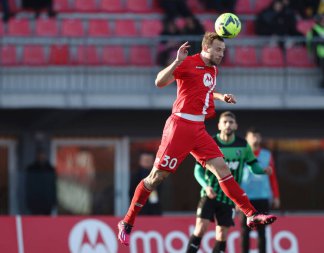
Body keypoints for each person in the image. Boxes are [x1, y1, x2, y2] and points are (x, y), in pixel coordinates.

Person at [117, 32, 277, 246]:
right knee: (155, 178)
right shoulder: (188, 63)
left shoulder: (212, 69)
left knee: (223, 170)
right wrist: (176, 61)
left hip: (198, 128)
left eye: (224, 51)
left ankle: (250, 214)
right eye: (219, 50)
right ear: (206, 48)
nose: (222, 54)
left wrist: (221, 96)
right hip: (179, 127)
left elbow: (205, 90)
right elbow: (159, 82)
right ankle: (127, 222)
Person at [186, 111, 272, 253]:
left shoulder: (243, 145)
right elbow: (198, 171)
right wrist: (206, 186)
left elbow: (253, 166)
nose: (228, 125)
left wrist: (263, 170)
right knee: (200, 228)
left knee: (222, 234)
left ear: (236, 125)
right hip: (210, 193)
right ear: (219, 125)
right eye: (224, 122)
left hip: (229, 197)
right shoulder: (210, 142)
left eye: (231, 122)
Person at [240, 128, 281, 253]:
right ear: (247, 139)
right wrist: (236, 199)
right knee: (245, 231)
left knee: (262, 231)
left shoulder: (267, 155)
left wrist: (276, 196)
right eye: (252, 136)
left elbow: (272, 177)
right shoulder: (241, 155)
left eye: (257, 136)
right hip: (245, 199)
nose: (255, 139)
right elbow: (235, 176)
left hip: (263, 197)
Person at [25, 150, 57, 215]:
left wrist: (54, 201)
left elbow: (53, 186)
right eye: (39, 156)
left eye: (42, 156)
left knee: (46, 220)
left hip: (47, 201)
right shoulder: (32, 169)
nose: (41, 158)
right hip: (35, 202)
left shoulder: (50, 169)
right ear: (37, 157)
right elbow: (28, 186)